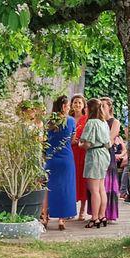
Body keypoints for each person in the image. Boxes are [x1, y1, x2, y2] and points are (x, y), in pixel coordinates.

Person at [43, 95, 77, 230]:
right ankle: (61, 219)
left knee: (48, 187)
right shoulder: (71, 121)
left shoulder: (50, 121)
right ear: (64, 106)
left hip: (51, 157)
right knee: (65, 187)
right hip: (66, 157)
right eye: (68, 105)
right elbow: (72, 139)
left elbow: (45, 139)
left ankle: (44, 216)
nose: (69, 108)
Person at [81, 98, 112, 227]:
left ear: (90, 108)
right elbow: (108, 142)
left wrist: (80, 144)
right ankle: (102, 215)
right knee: (101, 188)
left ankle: (94, 218)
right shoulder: (103, 122)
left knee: (94, 190)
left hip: (94, 155)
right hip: (104, 154)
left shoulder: (91, 123)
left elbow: (87, 143)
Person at [101, 97, 121, 222]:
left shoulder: (115, 122)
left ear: (109, 107)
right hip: (98, 154)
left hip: (108, 154)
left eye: (103, 105)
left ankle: (109, 213)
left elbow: (110, 139)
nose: (101, 108)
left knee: (108, 184)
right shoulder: (97, 121)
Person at [70, 96, 89, 221]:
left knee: (82, 180)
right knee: (71, 180)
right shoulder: (68, 118)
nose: (77, 105)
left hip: (82, 151)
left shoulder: (86, 119)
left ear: (83, 105)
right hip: (70, 152)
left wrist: (80, 141)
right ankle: (71, 209)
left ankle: (82, 210)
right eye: (75, 102)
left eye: (79, 102)